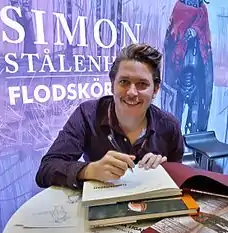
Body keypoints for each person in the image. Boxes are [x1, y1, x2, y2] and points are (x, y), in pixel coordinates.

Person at [35, 43, 184, 190]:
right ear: (112, 85)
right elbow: (46, 170)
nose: (132, 92)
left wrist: (165, 170)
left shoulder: (170, 126)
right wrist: (89, 170)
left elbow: (179, 180)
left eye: (142, 84)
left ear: (155, 90)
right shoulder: (87, 115)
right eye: (124, 82)